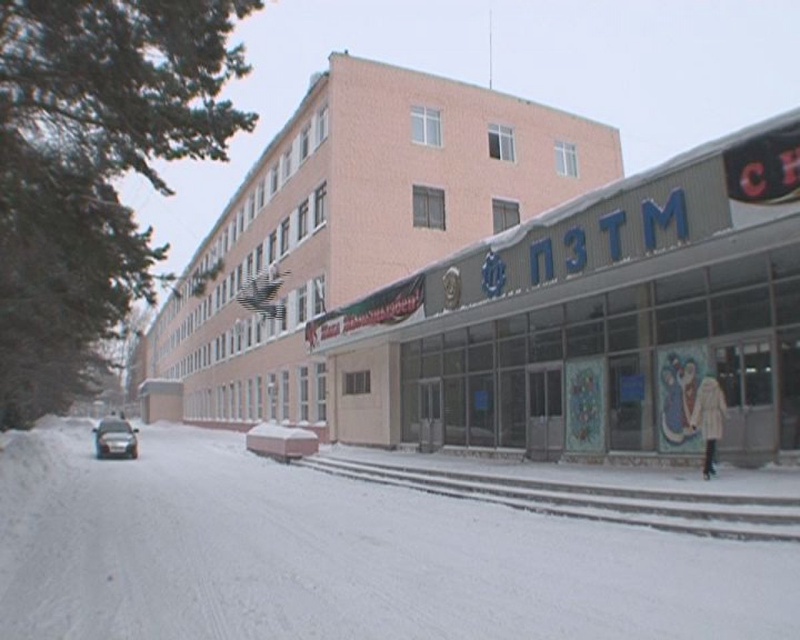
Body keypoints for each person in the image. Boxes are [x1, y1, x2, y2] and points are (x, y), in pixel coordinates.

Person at [690, 373, 728, 480]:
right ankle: (706, 469)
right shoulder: (717, 389)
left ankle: (709, 466)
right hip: (715, 417)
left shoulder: (701, 390)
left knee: (710, 443)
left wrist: (694, 422)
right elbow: (722, 404)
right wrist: (726, 414)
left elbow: (698, 407)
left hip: (706, 418)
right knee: (711, 444)